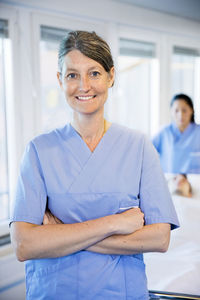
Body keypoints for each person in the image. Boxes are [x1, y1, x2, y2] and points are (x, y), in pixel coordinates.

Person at [10, 31, 179, 300]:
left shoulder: (138, 147)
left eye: (95, 73)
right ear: (59, 80)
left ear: (111, 76)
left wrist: (59, 235)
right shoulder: (38, 152)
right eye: (72, 75)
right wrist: (115, 223)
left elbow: (159, 239)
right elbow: (23, 244)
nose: (84, 85)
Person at [152, 94, 200, 174]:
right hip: (169, 181)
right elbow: (146, 151)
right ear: (171, 112)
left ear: (192, 110)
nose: (180, 114)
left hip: (195, 183)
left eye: (184, 110)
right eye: (176, 110)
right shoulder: (164, 133)